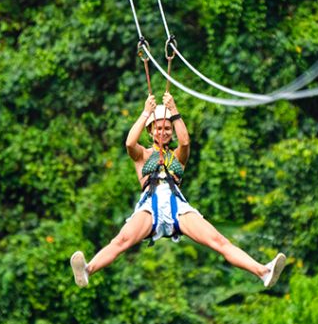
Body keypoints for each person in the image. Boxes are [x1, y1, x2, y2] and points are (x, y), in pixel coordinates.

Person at [70, 91, 286, 289]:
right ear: (151, 131)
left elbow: (185, 141)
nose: (163, 132)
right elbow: (129, 143)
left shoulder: (178, 157)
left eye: (167, 129)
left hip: (177, 207)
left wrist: (173, 111)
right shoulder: (142, 155)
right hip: (150, 206)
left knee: (219, 242)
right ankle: (88, 270)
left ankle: (263, 271)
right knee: (120, 242)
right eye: (159, 128)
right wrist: (146, 112)